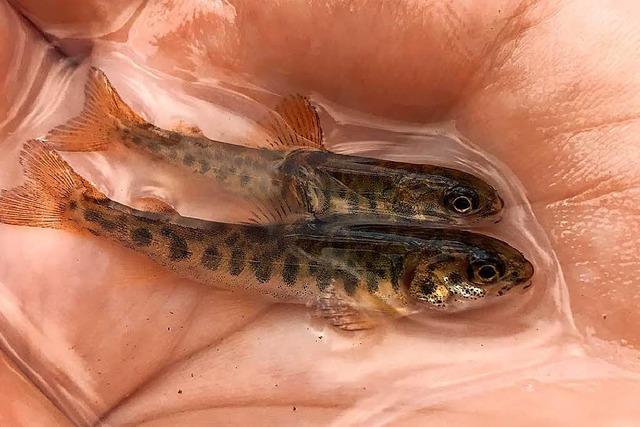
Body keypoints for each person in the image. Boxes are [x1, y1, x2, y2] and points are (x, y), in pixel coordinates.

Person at [1, 1, 639, 425]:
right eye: (463, 210)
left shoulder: (391, 252)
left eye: (486, 270)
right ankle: (84, 199)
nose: (498, 274)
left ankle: (89, 197)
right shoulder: (388, 254)